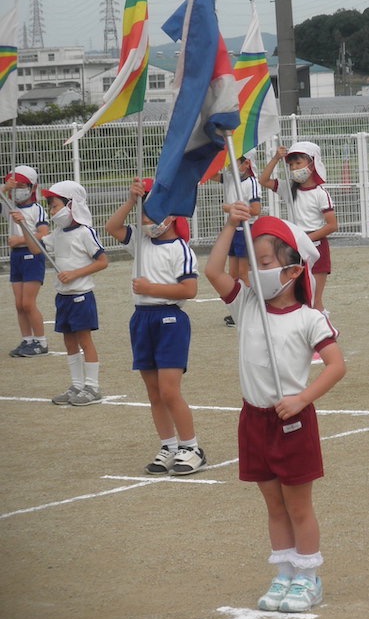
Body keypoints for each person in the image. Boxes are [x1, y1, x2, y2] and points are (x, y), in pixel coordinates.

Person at [204, 206, 346, 614]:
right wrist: (231, 224)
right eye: (252, 262)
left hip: (293, 423)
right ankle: (284, 572)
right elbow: (214, 272)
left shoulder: (309, 318)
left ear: (293, 271)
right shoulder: (246, 304)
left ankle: (308, 578)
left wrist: (303, 398)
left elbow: (337, 365)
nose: (252, 271)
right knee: (273, 505)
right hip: (254, 420)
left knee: (298, 506)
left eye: (263, 263)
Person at [105, 178, 207, 476]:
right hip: (141, 319)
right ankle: (169, 446)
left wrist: (152, 287)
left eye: (152, 213)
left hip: (170, 320)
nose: (146, 220)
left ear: (172, 214)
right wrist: (129, 200)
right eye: (143, 213)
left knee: (169, 390)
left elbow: (189, 291)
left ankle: (191, 448)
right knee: (153, 392)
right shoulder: (140, 240)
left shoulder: (180, 249)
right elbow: (112, 227)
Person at [261, 141, 338, 362]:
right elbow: (263, 181)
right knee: (298, 296)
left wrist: (306, 238)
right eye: (291, 163)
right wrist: (276, 158)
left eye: (299, 161)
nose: (294, 167)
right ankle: (306, 340)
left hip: (316, 249)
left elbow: (332, 225)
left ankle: (326, 339)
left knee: (314, 299)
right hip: (295, 250)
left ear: (312, 164)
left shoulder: (321, 193)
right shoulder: (288, 188)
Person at [40, 181, 109, 405]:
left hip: (81, 296)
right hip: (63, 297)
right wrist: (21, 224)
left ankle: (92, 387)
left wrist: (75, 274)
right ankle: (77, 385)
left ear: (72, 205)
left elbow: (102, 261)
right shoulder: (57, 234)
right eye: (50, 207)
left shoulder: (85, 232)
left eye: (56, 205)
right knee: (69, 342)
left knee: (84, 340)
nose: (53, 211)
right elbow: (36, 247)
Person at [210, 150, 262, 326]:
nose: (231, 165)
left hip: (246, 229)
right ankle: (238, 311)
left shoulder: (252, 182)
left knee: (243, 273)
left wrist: (231, 208)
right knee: (232, 274)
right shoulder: (230, 177)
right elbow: (211, 175)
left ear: (247, 163)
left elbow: (256, 210)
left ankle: (250, 310)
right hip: (233, 229)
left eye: (235, 161)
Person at [3, 165, 49, 357]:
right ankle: (27, 340)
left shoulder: (36, 209)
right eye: (14, 185)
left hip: (32, 255)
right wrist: (5, 188)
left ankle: (41, 342)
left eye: (22, 185)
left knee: (28, 303)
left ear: (32, 187)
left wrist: (20, 239)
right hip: (16, 257)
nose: (17, 190)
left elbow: (43, 233)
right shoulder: (9, 205)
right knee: (19, 304)